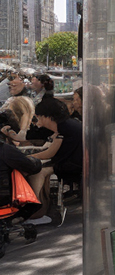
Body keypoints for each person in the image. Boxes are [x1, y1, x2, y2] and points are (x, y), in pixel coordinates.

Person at [23, 96, 83, 225]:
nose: (38, 119)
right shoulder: (66, 125)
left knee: (38, 171)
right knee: (42, 169)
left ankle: (36, 210)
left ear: (48, 117)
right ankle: (42, 208)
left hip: (73, 165)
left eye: (39, 116)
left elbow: (51, 154)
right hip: (75, 163)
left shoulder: (64, 128)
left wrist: (31, 157)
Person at [0, 110, 44, 214]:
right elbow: (33, 167)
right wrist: (32, 158)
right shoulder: (4, 149)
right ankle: (37, 214)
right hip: (4, 203)